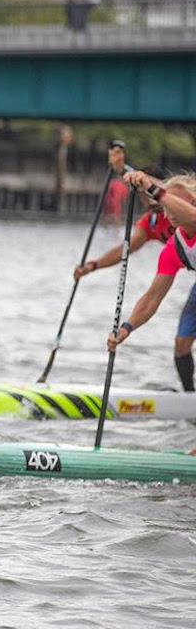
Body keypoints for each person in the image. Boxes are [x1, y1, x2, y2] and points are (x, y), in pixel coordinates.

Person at [109, 170, 196, 452]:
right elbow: (151, 299)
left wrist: (153, 187)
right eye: (166, 206)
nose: (168, 211)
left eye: (174, 203)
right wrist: (126, 328)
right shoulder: (174, 248)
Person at [101, 140, 130, 228]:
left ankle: (109, 227)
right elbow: (124, 198)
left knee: (110, 215)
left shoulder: (115, 183)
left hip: (111, 201)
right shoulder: (117, 184)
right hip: (114, 202)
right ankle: (113, 228)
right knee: (115, 215)